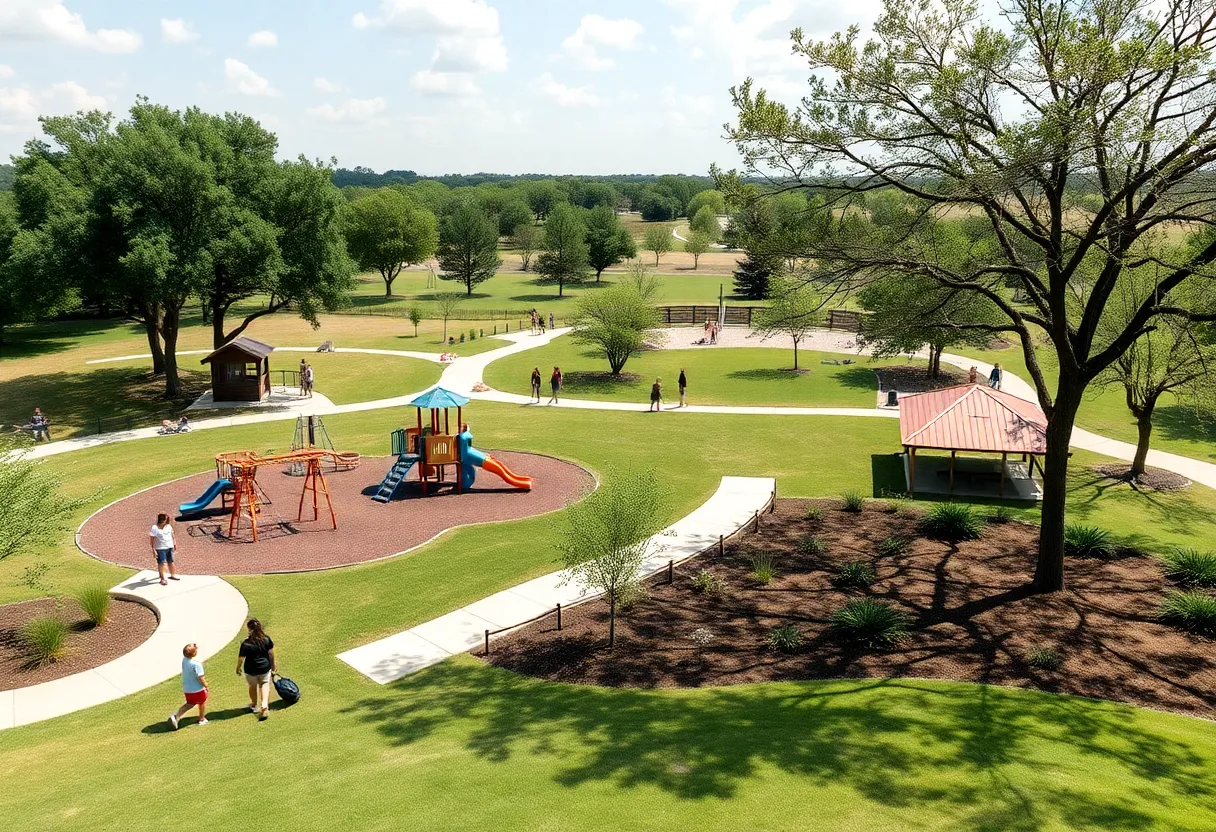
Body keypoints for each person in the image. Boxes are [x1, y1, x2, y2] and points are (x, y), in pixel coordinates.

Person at [236, 618, 276, 721]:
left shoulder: (246, 644)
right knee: (264, 684)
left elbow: (241, 658)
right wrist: (273, 666)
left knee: (252, 686)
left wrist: (238, 668)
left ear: (249, 629)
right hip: (264, 667)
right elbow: (271, 653)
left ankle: (254, 705)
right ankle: (264, 704)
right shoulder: (266, 639)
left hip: (250, 669)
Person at [170, 643, 208, 729]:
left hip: (187, 689)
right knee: (201, 703)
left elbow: (189, 651)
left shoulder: (184, 661)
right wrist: (206, 685)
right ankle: (202, 719)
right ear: (194, 653)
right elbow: (200, 677)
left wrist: (193, 648)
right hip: (198, 689)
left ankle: (176, 716)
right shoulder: (197, 665)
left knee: (190, 703)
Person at [150, 513, 179, 586]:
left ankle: (172, 575)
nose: (165, 520)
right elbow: (152, 539)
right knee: (162, 563)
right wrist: (153, 550)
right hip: (160, 548)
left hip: (169, 547)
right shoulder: (155, 528)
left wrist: (174, 544)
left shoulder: (169, 526)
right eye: (164, 519)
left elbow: (172, 536)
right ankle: (162, 578)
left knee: (171, 562)